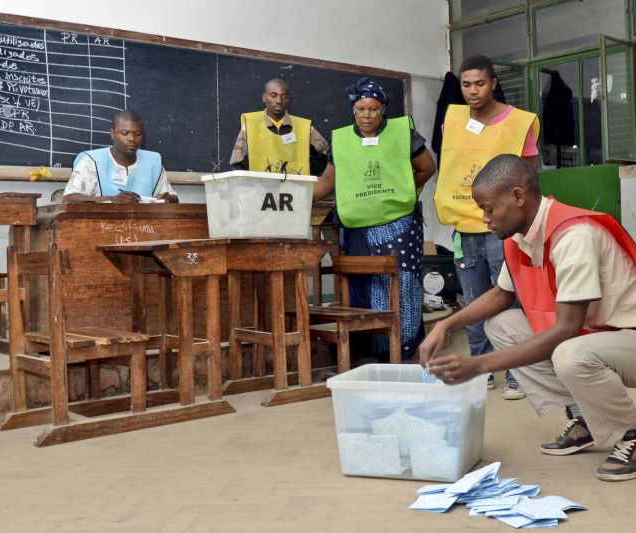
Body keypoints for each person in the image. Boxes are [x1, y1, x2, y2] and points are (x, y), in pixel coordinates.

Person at [421, 154, 636, 482]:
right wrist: (445, 324)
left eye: (488, 208)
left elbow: (565, 331)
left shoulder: (573, 236)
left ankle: (634, 432)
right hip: (596, 338)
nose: (484, 218)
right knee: (501, 326)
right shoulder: (521, 236)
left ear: (518, 196)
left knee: (569, 354)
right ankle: (587, 416)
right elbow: (502, 295)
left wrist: (480, 365)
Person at [434, 55, 540, 399]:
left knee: (507, 300)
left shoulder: (519, 122)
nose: (472, 91)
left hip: (503, 229)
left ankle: (514, 373)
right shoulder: (451, 119)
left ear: (494, 83)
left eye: (480, 83)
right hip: (464, 225)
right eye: (466, 85)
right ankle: (480, 371)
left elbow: (529, 176)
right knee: (473, 300)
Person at [313, 77, 436, 360]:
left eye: (373, 109)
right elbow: (327, 181)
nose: (367, 115)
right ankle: (367, 355)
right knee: (362, 291)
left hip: (399, 227)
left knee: (402, 289)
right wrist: (295, 196)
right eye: (360, 109)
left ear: (383, 109)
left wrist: (405, 192)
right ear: (353, 110)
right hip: (356, 231)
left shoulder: (403, 133)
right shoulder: (341, 139)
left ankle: (403, 353)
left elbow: (426, 168)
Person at [63, 110, 178, 204]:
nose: (132, 139)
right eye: (124, 133)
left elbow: (171, 195)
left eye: (137, 134)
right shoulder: (91, 161)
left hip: (145, 228)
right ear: (112, 134)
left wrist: (170, 199)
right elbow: (69, 199)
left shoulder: (153, 162)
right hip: (100, 227)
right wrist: (112, 200)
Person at [229, 78, 329, 176]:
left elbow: (327, 154)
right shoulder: (251, 124)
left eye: (284, 97)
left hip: (296, 189)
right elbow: (237, 163)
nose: (279, 101)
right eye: (273, 96)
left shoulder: (304, 127)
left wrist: (311, 170)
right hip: (261, 189)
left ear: (288, 99)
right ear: (264, 97)